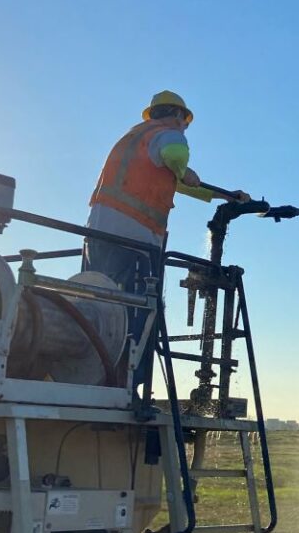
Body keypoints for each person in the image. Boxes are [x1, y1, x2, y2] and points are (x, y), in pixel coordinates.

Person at [83, 90, 250, 387]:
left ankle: (91, 378)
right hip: (132, 238)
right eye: (185, 121)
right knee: (142, 311)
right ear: (176, 115)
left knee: (97, 303)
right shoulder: (168, 134)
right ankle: (130, 388)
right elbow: (176, 156)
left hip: (98, 234)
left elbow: (181, 181)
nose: (185, 127)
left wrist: (226, 196)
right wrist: (184, 169)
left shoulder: (137, 138)